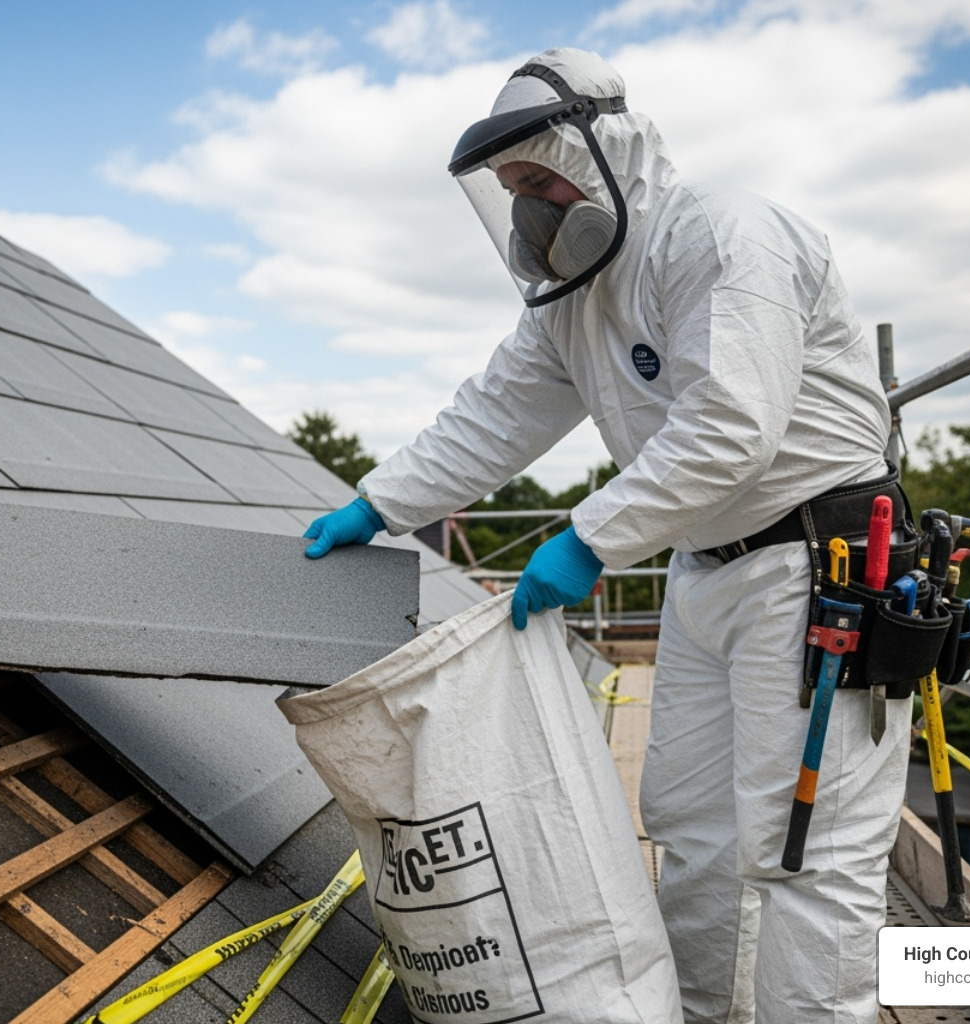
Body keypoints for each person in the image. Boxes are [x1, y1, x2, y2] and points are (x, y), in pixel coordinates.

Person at [303, 47, 908, 1024]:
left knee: (805, 852)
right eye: (512, 193)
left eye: (538, 180)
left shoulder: (719, 232)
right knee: (692, 821)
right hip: (706, 570)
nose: (530, 210)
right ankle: (708, 1012)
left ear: (605, 152)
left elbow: (732, 425)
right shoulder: (572, 300)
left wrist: (589, 540)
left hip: (817, 565)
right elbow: (492, 415)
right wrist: (378, 503)